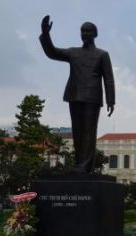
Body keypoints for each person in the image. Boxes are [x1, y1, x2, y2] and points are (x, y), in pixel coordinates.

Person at [39, 15, 115, 173]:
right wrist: (46, 34)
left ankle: (85, 165)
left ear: (95, 34)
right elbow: (52, 52)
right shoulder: (73, 52)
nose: (85, 34)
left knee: (89, 131)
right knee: (77, 132)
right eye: (82, 31)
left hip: (92, 98)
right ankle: (79, 163)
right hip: (75, 96)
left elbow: (109, 79)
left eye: (88, 31)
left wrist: (110, 100)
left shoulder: (102, 54)